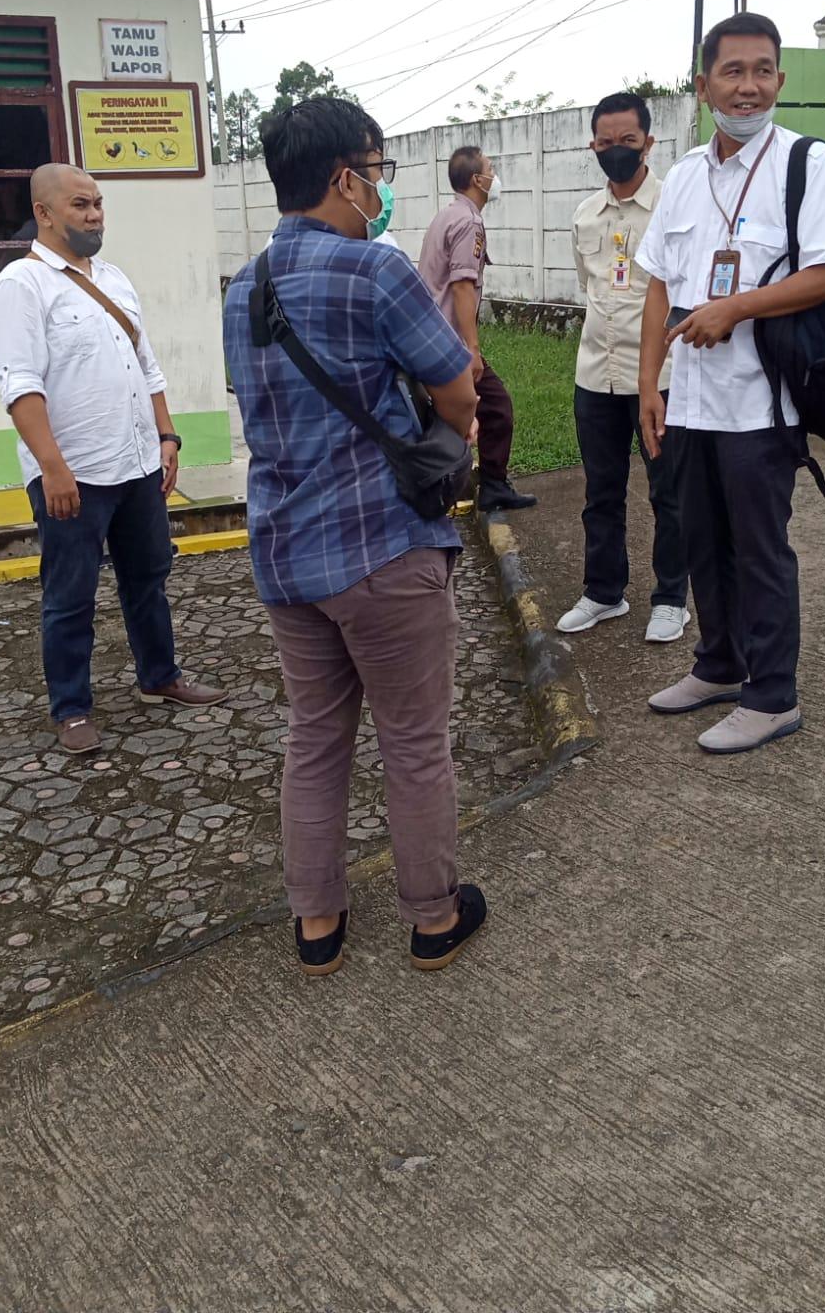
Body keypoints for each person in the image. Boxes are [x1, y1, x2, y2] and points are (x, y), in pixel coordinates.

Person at [223, 97, 488, 976]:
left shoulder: (242, 288)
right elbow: (456, 385)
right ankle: (433, 918)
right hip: (382, 545)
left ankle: (318, 926)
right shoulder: (375, 269)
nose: (381, 188)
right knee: (412, 740)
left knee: (314, 738)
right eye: (377, 171)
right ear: (345, 177)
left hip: (284, 553)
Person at [636, 12, 825, 754]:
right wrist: (649, 385)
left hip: (763, 403)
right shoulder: (684, 177)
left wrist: (735, 307)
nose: (749, 86)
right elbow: (657, 284)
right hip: (690, 400)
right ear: (703, 85)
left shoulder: (809, 165)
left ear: (780, 79)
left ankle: (772, 696)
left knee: (760, 550)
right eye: (733, 71)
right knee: (701, 540)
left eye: (763, 70)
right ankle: (719, 666)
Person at [0, 163, 227, 754]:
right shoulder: (21, 286)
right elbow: (20, 386)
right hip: (74, 474)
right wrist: (53, 468)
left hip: (137, 463)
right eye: (80, 205)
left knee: (149, 578)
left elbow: (147, 367)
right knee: (70, 595)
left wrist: (167, 436)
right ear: (43, 213)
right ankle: (71, 709)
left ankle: (160, 676)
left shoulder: (114, 279)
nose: (94, 215)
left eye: (98, 204)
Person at [556, 92, 690, 645]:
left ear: (648, 143)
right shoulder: (585, 215)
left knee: (669, 493)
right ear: (594, 146)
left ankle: (671, 600)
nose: (617, 151)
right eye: (606, 142)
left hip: (659, 379)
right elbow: (589, 287)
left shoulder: (672, 209)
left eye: (628, 141)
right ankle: (604, 592)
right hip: (596, 375)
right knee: (601, 492)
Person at [417, 146, 537, 513]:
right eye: (490, 169)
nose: (495, 175)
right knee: (495, 407)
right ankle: (485, 486)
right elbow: (462, 286)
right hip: (450, 343)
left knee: (461, 413)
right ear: (477, 180)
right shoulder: (468, 222)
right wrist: (472, 348)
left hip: (431, 337)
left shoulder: (447, 215)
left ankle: (475, 485)